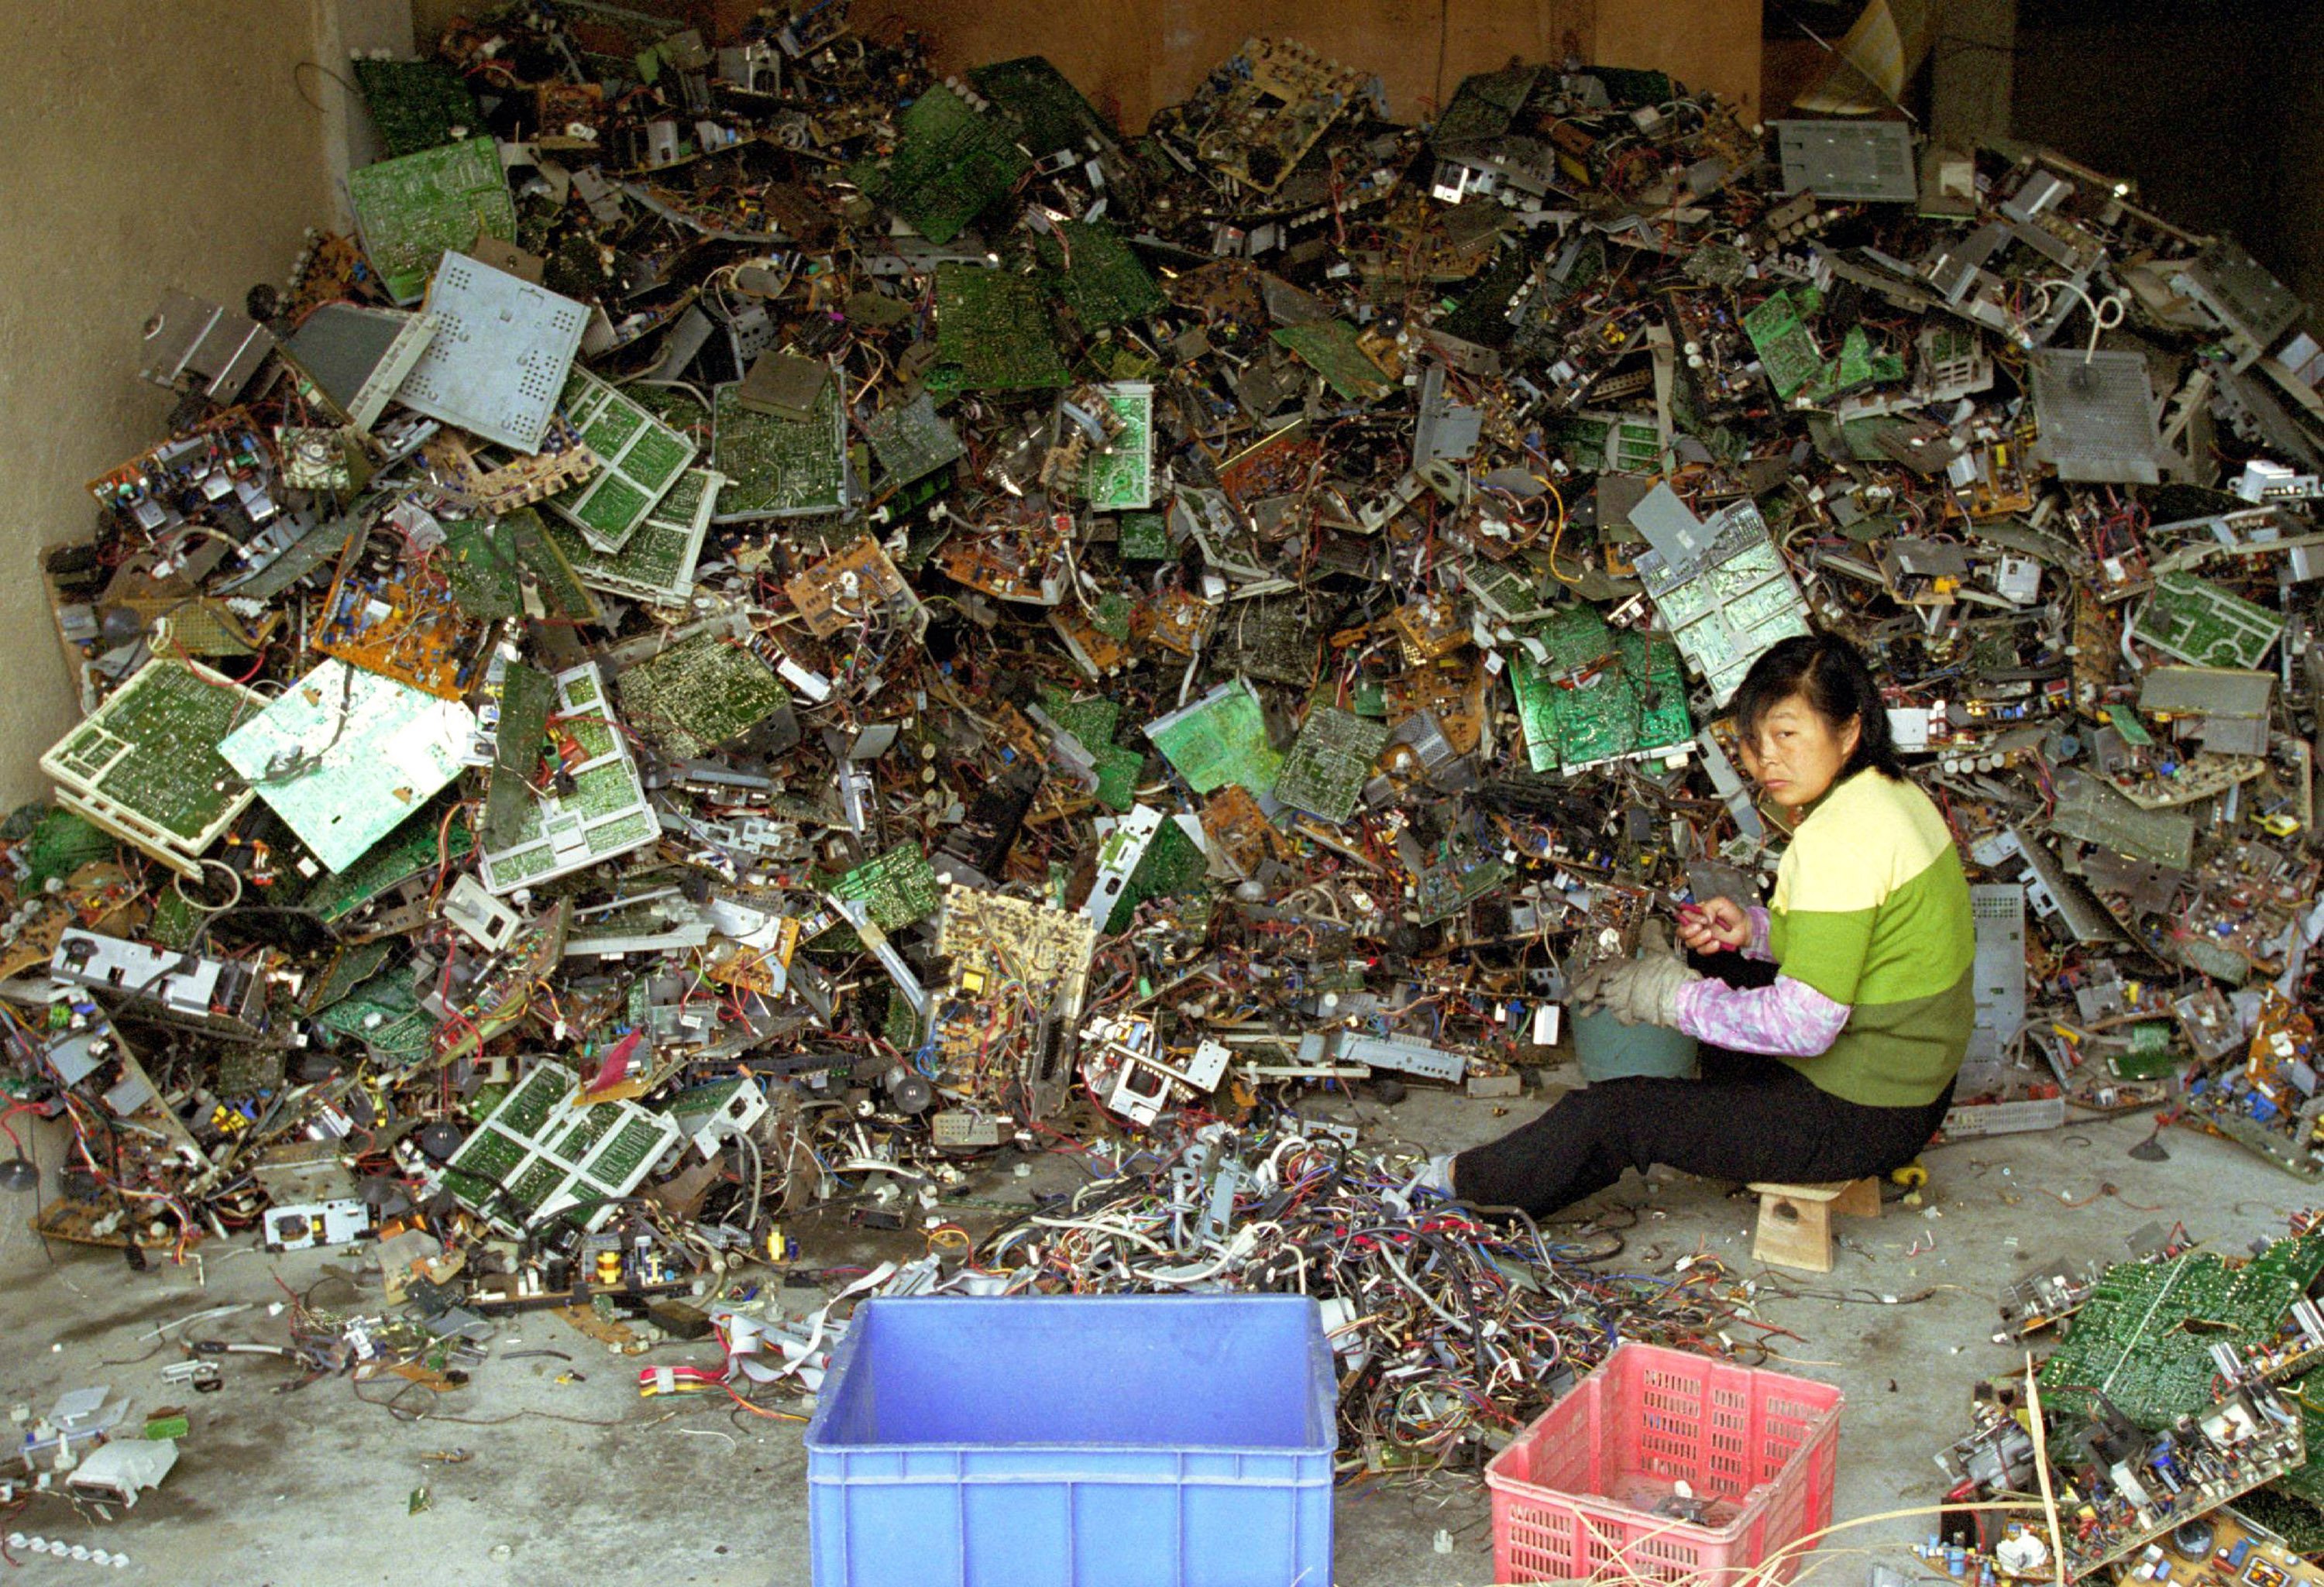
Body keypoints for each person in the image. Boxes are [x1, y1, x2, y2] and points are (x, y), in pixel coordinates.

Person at [1426, 632, 1975, 1217]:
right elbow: (1860, 935)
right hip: (1918, 1086)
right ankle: (1731, 1115)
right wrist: (1754, 931)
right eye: (1754, 739)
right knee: (1717, 954)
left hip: (1865, 1115)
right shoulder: (1892, 795)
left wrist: (1668, 997)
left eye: (1788, 734)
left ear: (1849, 729)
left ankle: (1454, 1189)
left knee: (1619, 1114)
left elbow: (1806, 1026)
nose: (1767, 759)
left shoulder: (1838, 839)